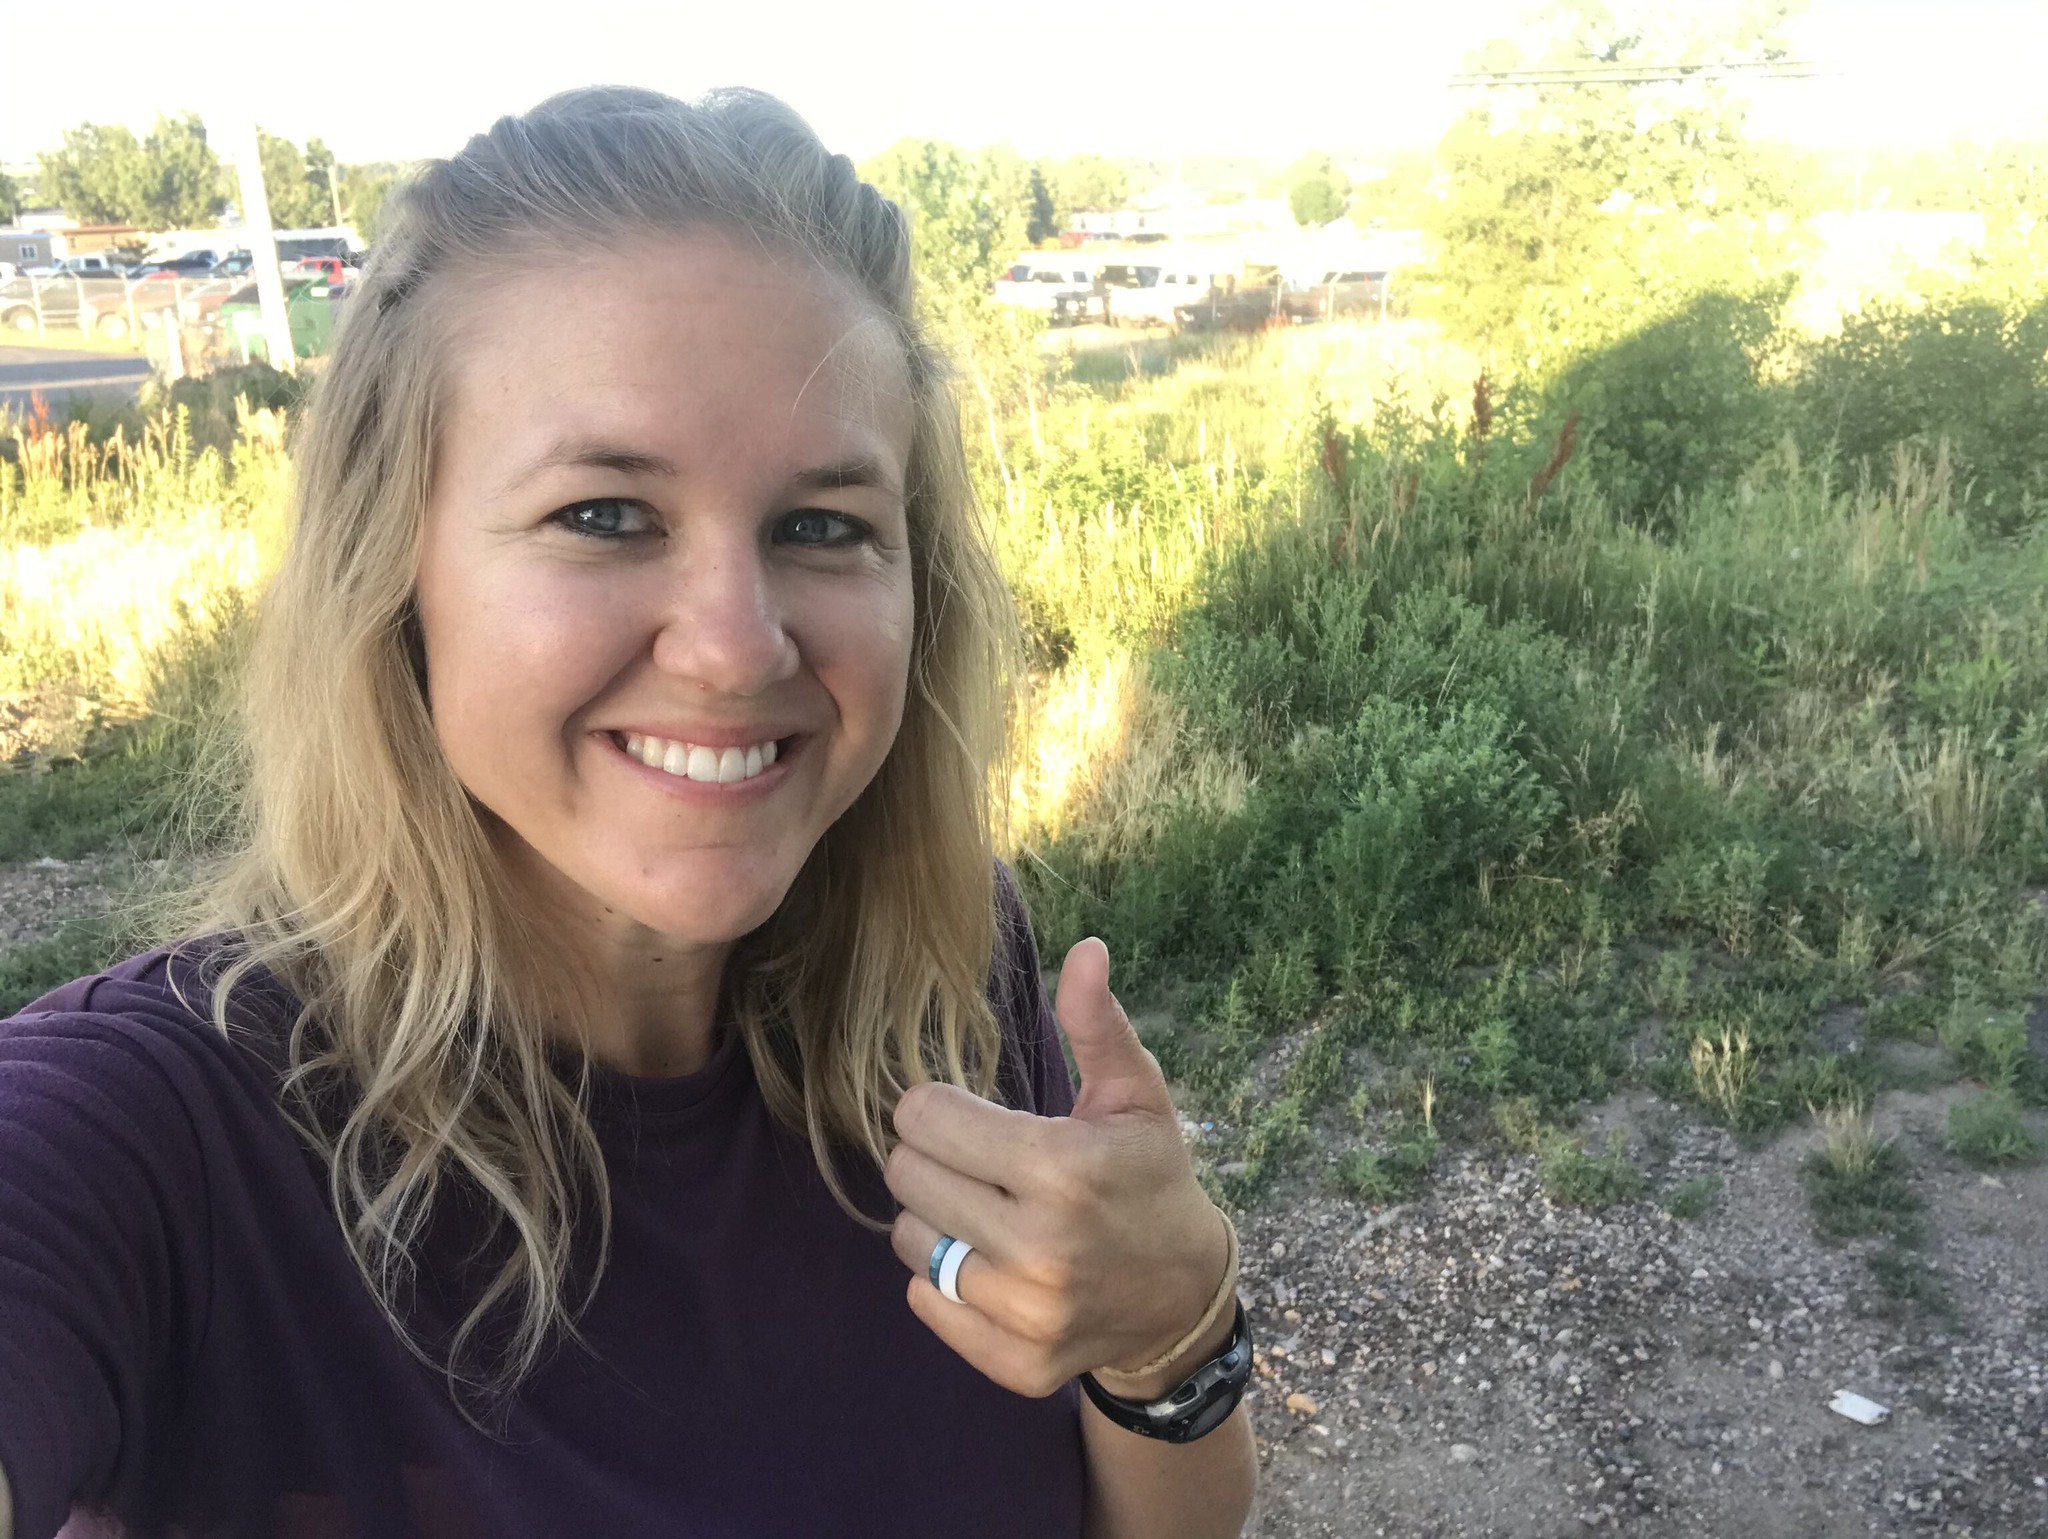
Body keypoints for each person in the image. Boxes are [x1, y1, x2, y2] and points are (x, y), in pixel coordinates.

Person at [0, 87, 1258, 1538]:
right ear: (393, 568)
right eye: (605, 514)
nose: (737, 645)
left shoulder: (941, 993)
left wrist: (1173, 1330)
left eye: (822, 527)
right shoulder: (151, 1141)